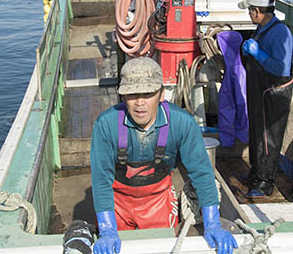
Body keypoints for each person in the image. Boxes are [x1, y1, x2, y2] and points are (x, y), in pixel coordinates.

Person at [90, 57, 238, 254]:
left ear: (161, 94)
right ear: (122, 97)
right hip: (117, 203)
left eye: (148, 94)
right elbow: (101, 181)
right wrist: (107, 229)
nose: (140, 103)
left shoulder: (182, 123)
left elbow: (202, 174)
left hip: (157, 201)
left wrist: (212, 222)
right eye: (132, 94)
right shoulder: (105, 125)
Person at [238, 0, 293, 198]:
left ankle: (265, 182)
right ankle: (256, 173)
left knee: (268, 136)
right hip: (260, 89)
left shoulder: (280, 32)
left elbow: (281, 68)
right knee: (256, 131)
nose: (249, 15)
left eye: (250, 11)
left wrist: (257, 53)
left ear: (258, 11)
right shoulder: (262, 29)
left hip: (274, 92)